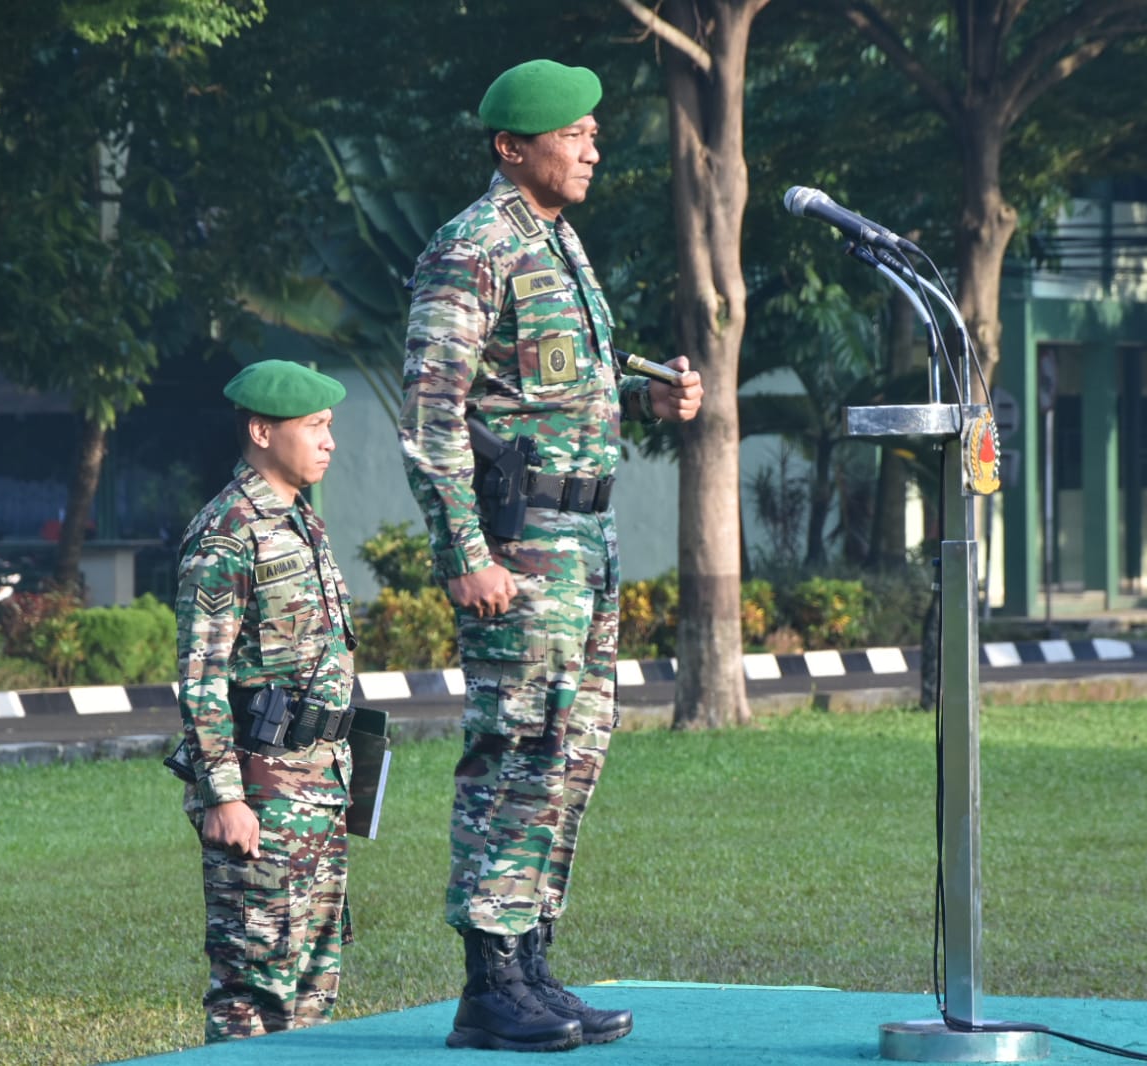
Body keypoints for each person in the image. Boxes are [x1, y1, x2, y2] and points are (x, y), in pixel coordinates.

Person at [399, 58, 704, 1053]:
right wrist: (464, 552)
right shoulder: (474, 247)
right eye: (574, 131)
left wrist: (650, 396)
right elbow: (434, 414)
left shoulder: (559, 244)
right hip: (521, 548)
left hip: (586, 548)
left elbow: (558, 390)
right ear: (512, 146)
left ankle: (530, 963)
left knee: (569, 755)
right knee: (515, 749)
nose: (592, 145)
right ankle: (488, 984)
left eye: (592, 130)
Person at [172, 359, 358, 1043]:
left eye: (328, 427)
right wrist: (224, 798)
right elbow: (200, 677)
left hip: (316, 789)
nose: (328, 441)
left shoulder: (301, 523)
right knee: (252, 991)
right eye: (313, 426)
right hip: (261, 793)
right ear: (260, 430)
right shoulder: (227, 533)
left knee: (313, 988)